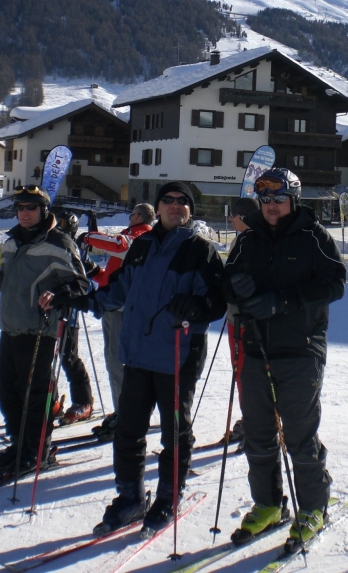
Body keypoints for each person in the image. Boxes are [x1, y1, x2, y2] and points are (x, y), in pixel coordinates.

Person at [92, 182, 226, 536]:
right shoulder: (142, 246)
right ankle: (131, 498)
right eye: (168, 200)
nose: (175, 206)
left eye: (183, 202)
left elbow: (218, 302)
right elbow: (119, 289)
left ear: (190, 212)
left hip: (177, 354)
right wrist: (82, 299)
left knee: (175, 433)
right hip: (138, 352)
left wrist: (197, 307)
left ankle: (168, 496)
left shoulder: (201, 251)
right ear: (158, 207)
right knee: (128, 430)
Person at [223, 168, 345, 546]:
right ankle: (269, 504)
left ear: (293, 199)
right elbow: (226, 280)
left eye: (279, 198)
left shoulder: (313, 235)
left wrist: (282, 302)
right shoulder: (248, 239)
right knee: (258, 433)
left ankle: (312, 507)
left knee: (299, 434)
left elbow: (334, 283)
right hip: (256, 347)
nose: (272, 205)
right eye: (266, 199)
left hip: (300, 347)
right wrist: (235, 286)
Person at [0, 186, 89, 474]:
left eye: (30, 208)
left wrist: (58, 294)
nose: (24, 213)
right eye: (20, 207)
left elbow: (81, 285)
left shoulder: (59, 243)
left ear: (44, 211)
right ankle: (20, 445)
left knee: (34, 395)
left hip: (38, 331)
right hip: (10, 328)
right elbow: (7, 280)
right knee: (6, 393)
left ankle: (37, 451)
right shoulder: (12, 242)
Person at [83, 203, 155, 440]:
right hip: (116, 304)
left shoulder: (140, 235)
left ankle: (126, 415)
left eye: (131, 214)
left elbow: (118, 245)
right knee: (116, 359)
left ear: (137, 216)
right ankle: (124, 411)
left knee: (118, 360)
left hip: (123, 307)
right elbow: (113, 276)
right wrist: (94, 272)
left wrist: (88, 236)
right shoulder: (134, 236)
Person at [53, 210, 97, 424]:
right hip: (45, 311)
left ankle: (83, 402)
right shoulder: (47, 242)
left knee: (68, 357)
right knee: (43, 358)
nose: (59, 226)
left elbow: (87, 281)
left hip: (68, 313)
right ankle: (49, 400)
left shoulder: (76, 248)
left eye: (62, 223)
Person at [225, 196, 260, 442]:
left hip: (245, 319)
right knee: (240, 370)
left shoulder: (254, 241)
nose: (230, 218)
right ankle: (251, 417)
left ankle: (254, 419)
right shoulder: (243, 239)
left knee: (245, 371)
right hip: (235, 316)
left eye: (234, 215)